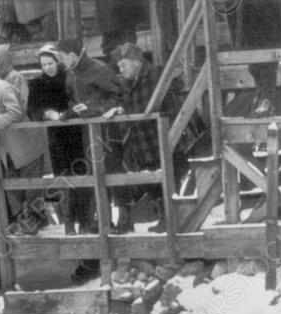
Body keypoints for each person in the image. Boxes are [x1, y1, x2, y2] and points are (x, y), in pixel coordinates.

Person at [108, 42, 180, 233]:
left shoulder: (154, 75)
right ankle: (163, 215)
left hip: (159, 136)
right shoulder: (127, 81)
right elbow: (124, 100)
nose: (120, 69)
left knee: (163, 176)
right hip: (141, 137)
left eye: (124, 65)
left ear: (136, 62)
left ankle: (169, 217)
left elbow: (159, 104)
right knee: (143, 176)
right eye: (119, 66)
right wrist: (120, 108)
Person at [56, 37, 124, 233]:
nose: (61, 61)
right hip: (86, 133)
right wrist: (70, 111)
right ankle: (100, 220)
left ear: (71, 55)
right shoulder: (71, 74)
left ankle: (122, 220)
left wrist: (92, 109)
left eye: (61, 57)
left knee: (110, 173)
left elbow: (117, 97)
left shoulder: (100, 69)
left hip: (107, 132)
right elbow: (71, 99)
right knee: (91, 174)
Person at [0, 43, 49, 232]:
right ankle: (22, 220)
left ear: (1, 61)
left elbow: (21, 107)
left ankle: (37, 219)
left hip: (24, 140)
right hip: (8, 143)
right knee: (12, 184)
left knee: (32, 184)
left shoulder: (15, 78)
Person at [27, 44, 89, 234]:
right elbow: (32, 110)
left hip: (77, 133)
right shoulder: (37, 84)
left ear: (57, 61)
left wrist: (70, 112)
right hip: (57, 138)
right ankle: (68, 223)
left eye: (50, 63)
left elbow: (77, 97)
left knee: (82, 175)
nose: (47, 67)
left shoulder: (68, 77)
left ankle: (86, 221)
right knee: (63, 180)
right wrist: (47, 114)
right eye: (43, 64)